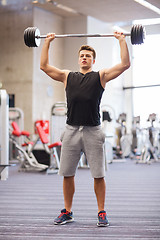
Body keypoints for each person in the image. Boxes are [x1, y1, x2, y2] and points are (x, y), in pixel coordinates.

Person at [40, 31, 130, 227]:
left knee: (98, 174)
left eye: (88, 55)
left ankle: (101, 212)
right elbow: (44, 66)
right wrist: (47, 42)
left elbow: (125, 64)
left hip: (93, 131)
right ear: (78, 59)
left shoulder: (101, 76)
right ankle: (68, 211)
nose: (84, 57)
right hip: (71, 130)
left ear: (93, 60)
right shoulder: (67, 76)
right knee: (67, 173)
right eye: (81, 55)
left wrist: (122, 40)